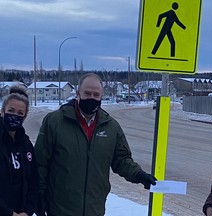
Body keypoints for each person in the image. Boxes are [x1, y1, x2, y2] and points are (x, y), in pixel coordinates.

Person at [35, 73, 157, 216]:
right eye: (87, 93)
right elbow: (40, 163)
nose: (91, 98)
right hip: (60, 209)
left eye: (96, 94)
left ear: (101, 97)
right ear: (77, 94)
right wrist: (39, 196)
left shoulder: (111, 127)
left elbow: (122, 160)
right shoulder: (55, 122)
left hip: (95, 209)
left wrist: (139, 175)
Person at [0, 85, 38, 216]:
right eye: (11, 110)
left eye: (20, 113)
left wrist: (27, 211)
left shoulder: (26, 145)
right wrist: (8, 213)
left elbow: (33, 181)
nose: (14, 115)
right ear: (2, 111)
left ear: (25, 116)